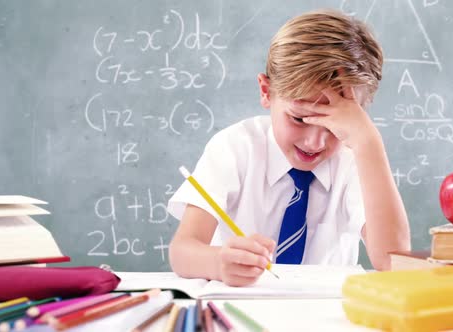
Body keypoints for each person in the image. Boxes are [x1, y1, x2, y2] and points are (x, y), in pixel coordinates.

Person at [167, 9, 410, 286]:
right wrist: (217, 263)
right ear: (266, 91)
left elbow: (394, 262)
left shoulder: (356, 158)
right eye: (299, 118)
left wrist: (369, 142)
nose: (314, 142)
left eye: (336, 125)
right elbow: (182, 251)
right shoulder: (234, 148)